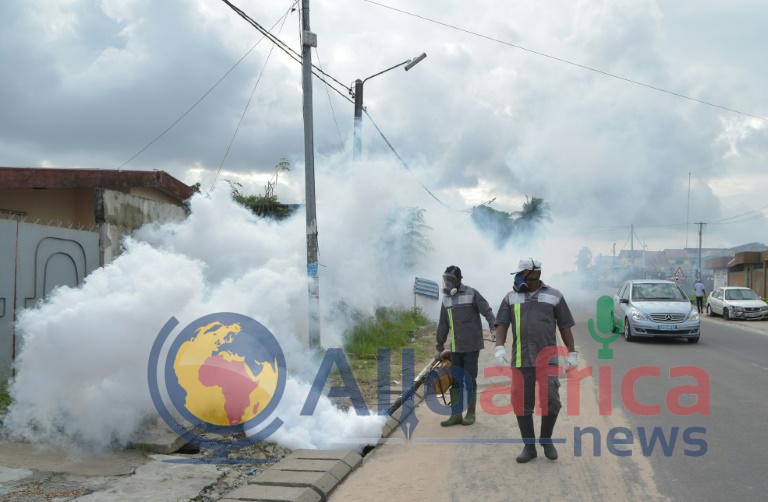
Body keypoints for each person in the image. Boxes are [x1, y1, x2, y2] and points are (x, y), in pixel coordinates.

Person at [494, 259, 578, 462]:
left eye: (522, 273)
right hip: (521, 359)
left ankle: (546, 439)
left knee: (551, 401)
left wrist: (572, 353)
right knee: (521, 404)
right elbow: (502, 324)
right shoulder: (511, 297)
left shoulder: (555, 296)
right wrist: (499, 347)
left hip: (547, 359)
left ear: (536, 273)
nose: (518, 277)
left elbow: (565, 326)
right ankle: (529, 447)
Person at [436, 265, 496, 426]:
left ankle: (470, 413)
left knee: (469, 379)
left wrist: (494, 328)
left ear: (459, 280)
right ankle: (456, 415)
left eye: (451, 280)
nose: (447, 283)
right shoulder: (446, 299)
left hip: (471, 346)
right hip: (456, 347)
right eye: (446, 280)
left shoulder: (471, 293)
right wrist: (439, 346)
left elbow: (487, 311)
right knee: (455, 381)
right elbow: (443, 324)